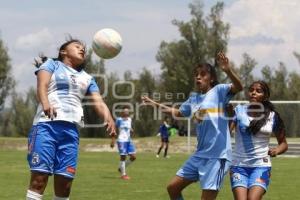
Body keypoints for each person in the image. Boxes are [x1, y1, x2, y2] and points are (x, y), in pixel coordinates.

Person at [142, 52, 243, 200]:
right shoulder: (194, 99)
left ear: (212, 78)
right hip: (199, 155)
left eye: (203, 74)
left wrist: (227, 70)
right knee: (173, 188)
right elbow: (176, 112)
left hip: (217, 157)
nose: (198, 77)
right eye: (196, 74)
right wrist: (154, 104)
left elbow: (239, 87)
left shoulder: (219, 91)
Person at [26, 38, 116, 200]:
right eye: (77, 46)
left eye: (83, 49)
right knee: (39, 180)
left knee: (65, 186)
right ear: (63, 52)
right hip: (46, 126)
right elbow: (42, 85)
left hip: (71, 132)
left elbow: (98, 101)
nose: (82, 49)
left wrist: (109, 118)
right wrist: (45, 102)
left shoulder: (88, 78)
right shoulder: (51, 65)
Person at [229, 81, 288, 200]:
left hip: (261, 167)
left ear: (265, 96)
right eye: (251, 90)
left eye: (258, 91)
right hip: (238, 166)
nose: (253, 93)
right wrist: (228, 116)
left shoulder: (272, 116)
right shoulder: (239, 111)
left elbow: (283, 144)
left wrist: (276, 151)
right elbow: (226, 133)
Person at [110, 107, 136, 180]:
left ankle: (121, 168)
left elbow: (129, 128)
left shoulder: (130, 120)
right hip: (121, 140)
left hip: (129, 140)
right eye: (125, 111)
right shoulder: (119, 120)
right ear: (122, 113)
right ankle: (123, 175)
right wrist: (112, 140)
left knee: (133, 157)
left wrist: (131, 129)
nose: (127, 113)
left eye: (128, 112)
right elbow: (113, 130)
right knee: (123, 157)